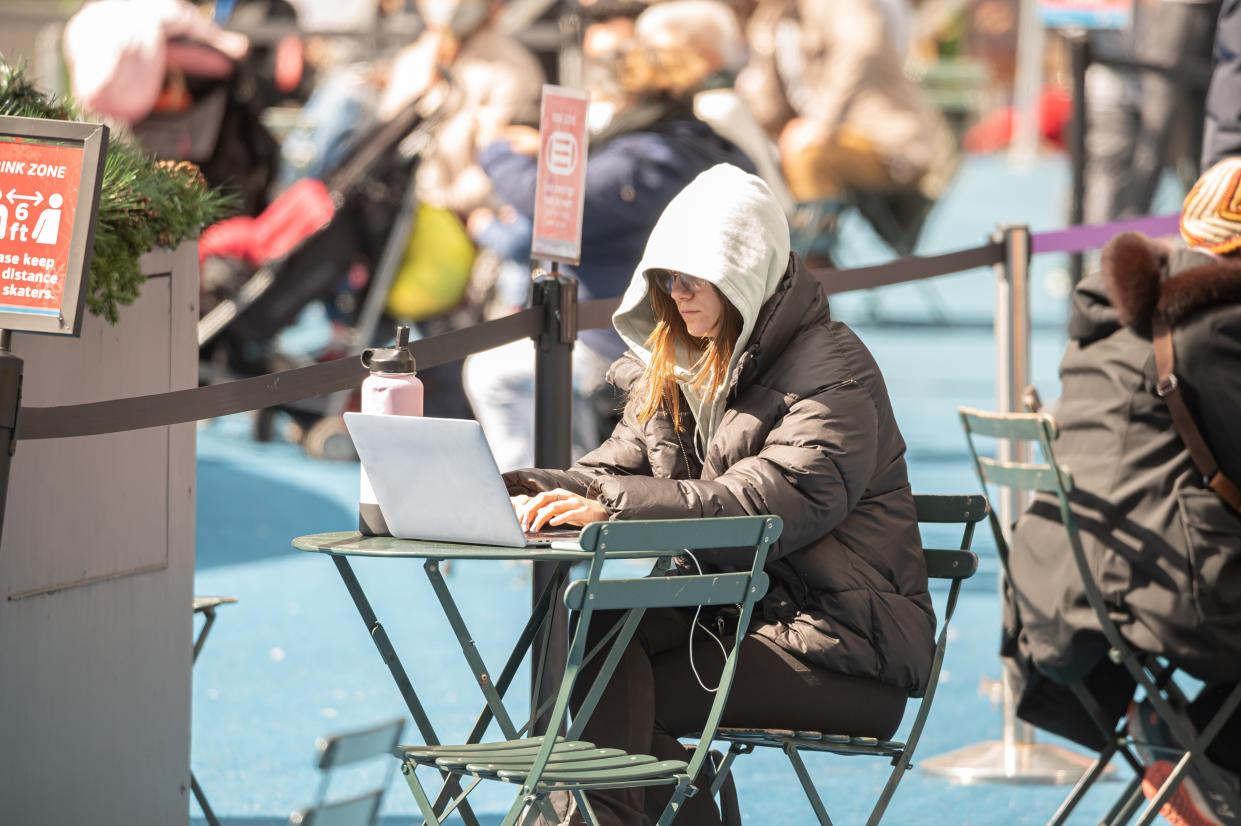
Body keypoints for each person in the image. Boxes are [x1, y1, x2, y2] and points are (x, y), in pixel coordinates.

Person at [505, 163, 935, 826]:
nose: (674, 295)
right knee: (600, 636)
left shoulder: (832, 374)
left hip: (845, 651)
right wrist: (516, 490)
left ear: (744, 269)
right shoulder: (683, 361)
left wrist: (611, 506)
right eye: (663, 279)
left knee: (613, 676)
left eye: (690, 277)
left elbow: (763, 503)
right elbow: (612, 470)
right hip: (742, 622)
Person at [1002, 157, 1241, 826]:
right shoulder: (1216, 323)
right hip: (1157, 587)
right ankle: (1210, 759)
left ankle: (1191, 746)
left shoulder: (1103, 320)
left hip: (1054, 583)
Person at [462, 0, 759, 471]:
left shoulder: (647, 160)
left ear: (629, 97)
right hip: (668, 332)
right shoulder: (691, 146)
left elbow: (548, 212)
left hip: (633, 341)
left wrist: (497, 148)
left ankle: (557, 492)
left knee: (495, 373)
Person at [734, 0, 958, 252]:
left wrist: (821, 123)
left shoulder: (837, 5)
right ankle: (795, 251)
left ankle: (814, 263)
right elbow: (769, 106)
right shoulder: (770, 18)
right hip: (813, 140)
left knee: (808, 157)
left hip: (887, 143)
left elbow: (861, 47)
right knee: (748, 158)